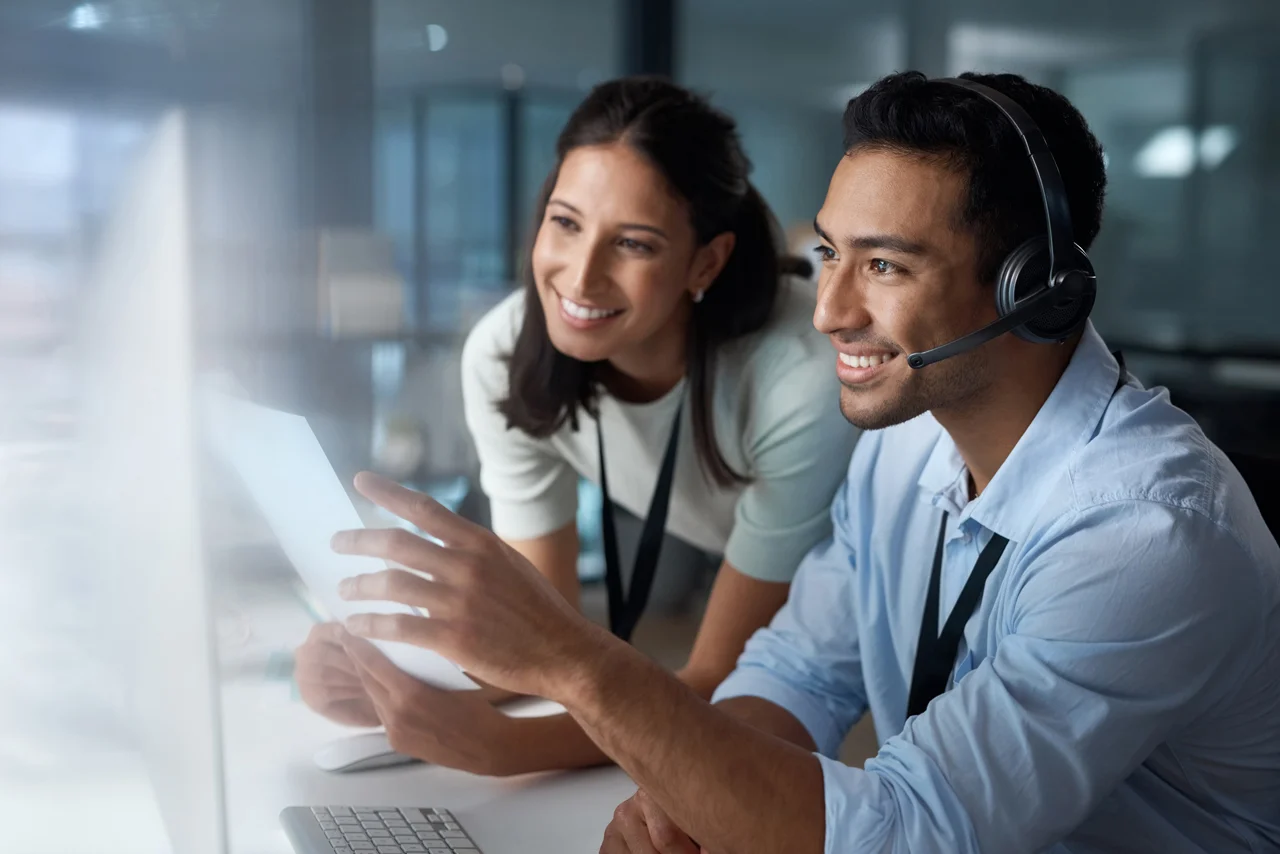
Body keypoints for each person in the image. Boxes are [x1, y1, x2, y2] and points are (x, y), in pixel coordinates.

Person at [328, 71, 1280, 852]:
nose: (828, 311)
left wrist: (576, 666)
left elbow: (905, 832)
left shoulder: (1145, 534)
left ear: (1032, 292)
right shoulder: (906, 444)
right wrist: (687, 794)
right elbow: (799, 674)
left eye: (885, 266)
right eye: (830, 254)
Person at [294, 77, 858, 776]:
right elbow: (531, 636)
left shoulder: (798, 379)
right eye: (565, 223)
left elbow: (721, 680)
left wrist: (507, 749)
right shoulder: (506, 353)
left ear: (705, 262)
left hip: (887, 638)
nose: (581, 278)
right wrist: (390, 676)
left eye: (635, 244)